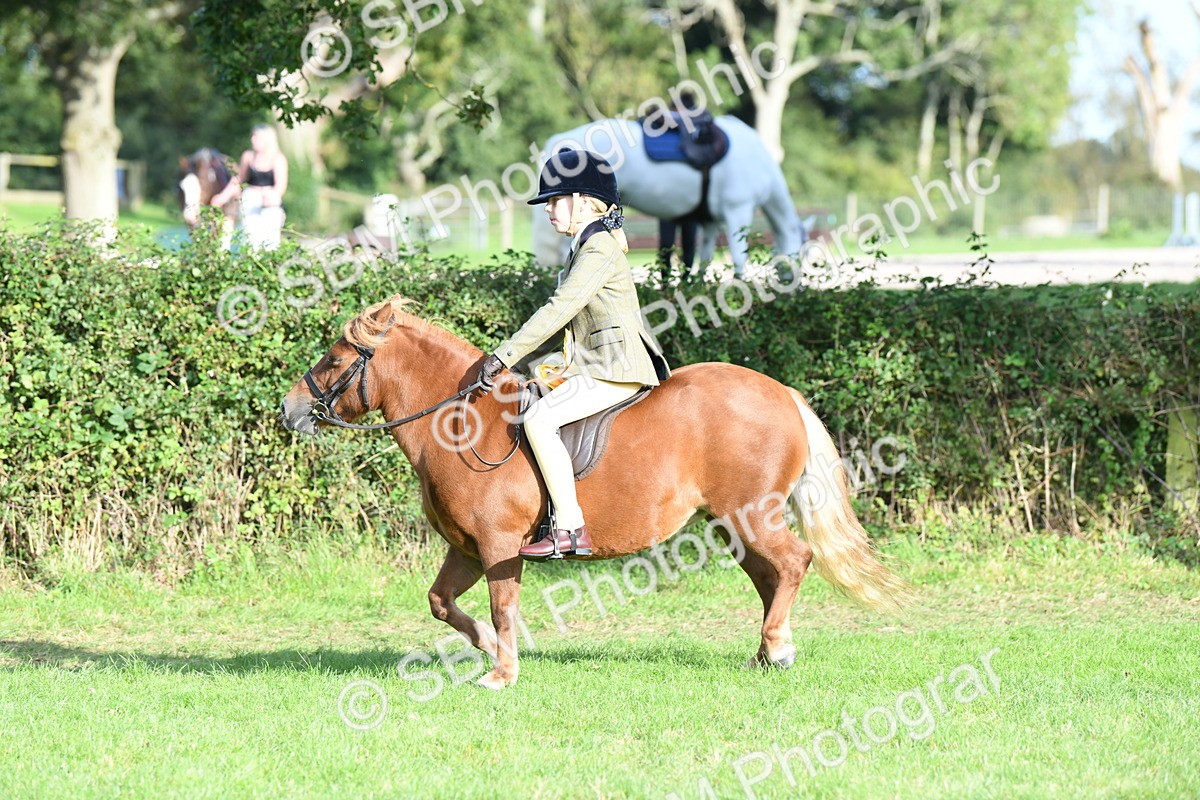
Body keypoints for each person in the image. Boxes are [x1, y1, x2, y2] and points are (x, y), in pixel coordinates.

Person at [477, 149, 671, 561]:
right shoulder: (587, 244)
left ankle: (570, 527)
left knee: (540, 420)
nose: (548, 209)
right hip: (596, 362)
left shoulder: (598, 248)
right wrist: (538, 368)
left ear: (584, 200)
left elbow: (560, 308)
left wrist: (502, 356)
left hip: (616, 367)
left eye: (555, 200)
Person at [209, 124, 289, 251]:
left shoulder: (278, 158)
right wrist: (223, 196)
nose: (252, 139)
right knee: (250, 240)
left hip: (270, 202)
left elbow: (281, 185)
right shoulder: (248, 156)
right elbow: (239, 180)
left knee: (271, 241)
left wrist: (272, 197)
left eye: (256, 137)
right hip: (250, 200)